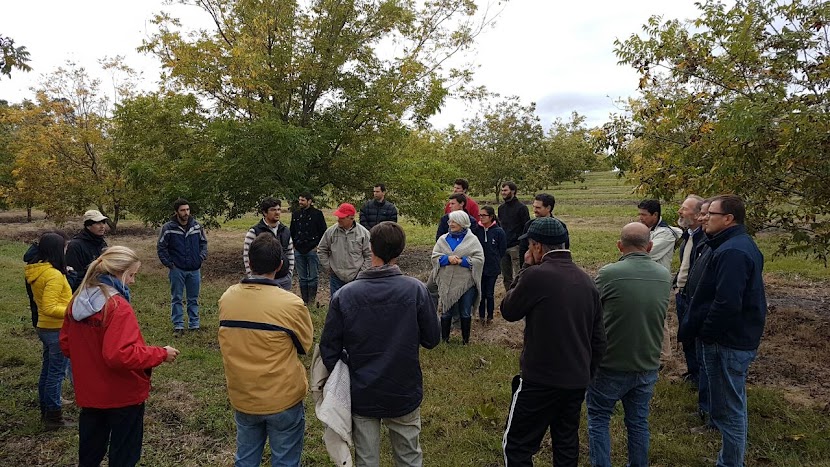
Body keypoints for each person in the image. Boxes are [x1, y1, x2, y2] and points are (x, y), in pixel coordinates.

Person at [320, 221, 440, 466]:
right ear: (400, 251)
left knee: (366, 458)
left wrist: (345, 373)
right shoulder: (416, 290)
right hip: (403, 386)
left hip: (362, 389)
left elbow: (329, 348)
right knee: (409, 455)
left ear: (370, 247)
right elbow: (432, 339)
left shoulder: (345, 294)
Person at [60, 246, 179, 467]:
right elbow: (119, 355)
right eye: (132, 275)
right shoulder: (117, 307)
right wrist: (160, 353)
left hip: (90, 394)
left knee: (90, 451)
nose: (133, 281)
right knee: (124, 453)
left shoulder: (78, 299)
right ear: (119, 273)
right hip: (122, 395)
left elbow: (66, 344)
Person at [500, 217, 606, 467]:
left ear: (536, 246)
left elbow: (508, 310)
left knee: (516, 444)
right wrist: (586, 374)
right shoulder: (587, 280)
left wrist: (524, 269)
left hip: (540, 380)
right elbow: (599, 339)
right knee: (566, 443)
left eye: (529, 247)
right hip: (575, 380)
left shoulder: (536, 275)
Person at [680, 195, 766, 467]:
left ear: (728, 219)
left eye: (711, 214)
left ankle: (730, 462)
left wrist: (707, 332)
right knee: (729, 404)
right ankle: (729, 455)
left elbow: (727, 302)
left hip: (727, 342)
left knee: (731, 408)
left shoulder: (733, 252)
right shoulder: (731, 244)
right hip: (728, 339)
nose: (704, 217)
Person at [219, 234, 314, 467]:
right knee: (286, 461)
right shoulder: (291, 304)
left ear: (249, 263)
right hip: (282, 397)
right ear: (280, 265)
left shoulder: (227, 298)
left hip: (243, 394)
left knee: (245, 458)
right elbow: (305, 345)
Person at [587, 223, 671, 467]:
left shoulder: (608, 273)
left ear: (619, 245)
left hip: (610, 362)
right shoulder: (664, 276)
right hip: (648, 362)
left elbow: (593, 310)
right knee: (638, 422)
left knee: (599, 418)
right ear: (650, 246)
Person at [25, 232, 74, 430]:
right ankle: (54, 416)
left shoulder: (40, 270)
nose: (66, 251)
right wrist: (73, 311)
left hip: (45, 328)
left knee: (47, 371)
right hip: (55, 329)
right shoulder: (53, 275)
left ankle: (46, 410)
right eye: (64, 247)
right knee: (56, 373)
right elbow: (49, 307)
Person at [637, 199, 681, 359]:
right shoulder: (648, 230)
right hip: (646, 278)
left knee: (658, 318)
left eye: (644, 215)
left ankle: (665, 355)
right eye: (639, 214)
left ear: (655, 215)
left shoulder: (666, 234)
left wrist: (632, 247)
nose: (640, 218)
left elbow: (644, 252)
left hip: (657, 281)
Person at [157, 198, 208, 337]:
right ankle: (178, 325)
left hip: (194, 268)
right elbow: (161, 248)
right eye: (182, 210)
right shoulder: (168, 228)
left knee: (193, 298)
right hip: (177, 269)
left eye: (187, 209)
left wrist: (201, 257)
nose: (186, 213)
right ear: (176, 212)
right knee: (177, 298)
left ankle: (194, 324)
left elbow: (204, 243)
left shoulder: (197, 226)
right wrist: (169, 264)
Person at [432, 210, 484, 345]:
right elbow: (435, 257)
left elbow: (479, 259)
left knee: (465, 312)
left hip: (466, 282)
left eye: (454, 221)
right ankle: (444, 340)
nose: (450, 224)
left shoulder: (472, 240)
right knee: (446, 311)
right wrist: (447, 259)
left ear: (462, 222)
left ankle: (465, 341)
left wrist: (463, 261)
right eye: (450, 221)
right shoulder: (443, 239)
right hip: (446, 282)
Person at [674, 195, 705, 385]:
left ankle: (700, 377)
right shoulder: (689, 235)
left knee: (696, 336)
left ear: (697, 215)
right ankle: (693, 373)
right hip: (683, 294)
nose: (680, 211)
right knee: (686, 336)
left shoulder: (704, 238)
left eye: (684, 208)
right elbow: (686, 264)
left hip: (694, 296)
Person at [318, 203, 372, 297]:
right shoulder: (331, 232)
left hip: (356, 277)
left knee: (355, 305)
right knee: (336, 304)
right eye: (338, 216)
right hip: (336, 277)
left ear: (351, 218)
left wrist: (362, 272)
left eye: (342, 217)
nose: (339, 219)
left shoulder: (363, 233)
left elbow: (369, 255)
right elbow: (321, 249)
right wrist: (328, 267)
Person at [243, 197, 294, 290]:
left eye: (279, 209)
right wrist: (252, 278)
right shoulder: (254, 232)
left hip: (284, 280)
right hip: (262, 281)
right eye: (273, 210)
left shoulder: (285, 230)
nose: (277, 212)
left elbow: (290, 253)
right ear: (265, 212)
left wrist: (289, 273)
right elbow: (247, 256)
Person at [290, 192, 328, 307]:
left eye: (303, 200)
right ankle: (305, 301)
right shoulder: (296, 214)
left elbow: (323, 232)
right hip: (298, 249)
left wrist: (318, 247)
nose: (300, 202)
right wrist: (294, 245)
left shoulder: (317, 214)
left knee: (312, 277)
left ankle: (311, 301)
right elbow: (292, 230)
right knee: (302, 278)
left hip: (312, 249)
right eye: (299, 200)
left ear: (310, 201)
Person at [475, 205, 506, 324]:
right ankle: (481, 315)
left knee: (489, 293)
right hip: (480, 267)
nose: (481, 218)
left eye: (484, 215)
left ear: (491, 217)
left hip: (492, 267)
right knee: (481, 293)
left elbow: (502, 249)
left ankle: (490, 316)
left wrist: (495, 259)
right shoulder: (477, 230)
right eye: (480, 215)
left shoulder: (498, 231)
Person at [519, 193, 569, 267]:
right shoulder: (529, 225)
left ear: (548, 208)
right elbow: (523, 247)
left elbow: (565, 247)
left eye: (538, 208)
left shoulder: (559, 226)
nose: (535, 210)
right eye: (534, 207)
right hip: (533, 267)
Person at [497, 181, 530, 290]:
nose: (503, 192)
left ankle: (520, 297)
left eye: (505, 190)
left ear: (513, 191)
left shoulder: (522, 208)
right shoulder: (501, 208)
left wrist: (522, 244)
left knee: (519, 275)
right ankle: (509, 297)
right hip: (503, 246)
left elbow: (526, 227)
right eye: (502, 190)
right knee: (506, 277)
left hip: (516, 246)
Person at [66, 209, 109, 291]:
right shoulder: (75, 246)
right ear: (88, 226)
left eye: (103, 222)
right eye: (97, 223)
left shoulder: (101, 243)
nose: (102, 226)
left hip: (101, 287)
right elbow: (74, 274)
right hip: (84, 290)